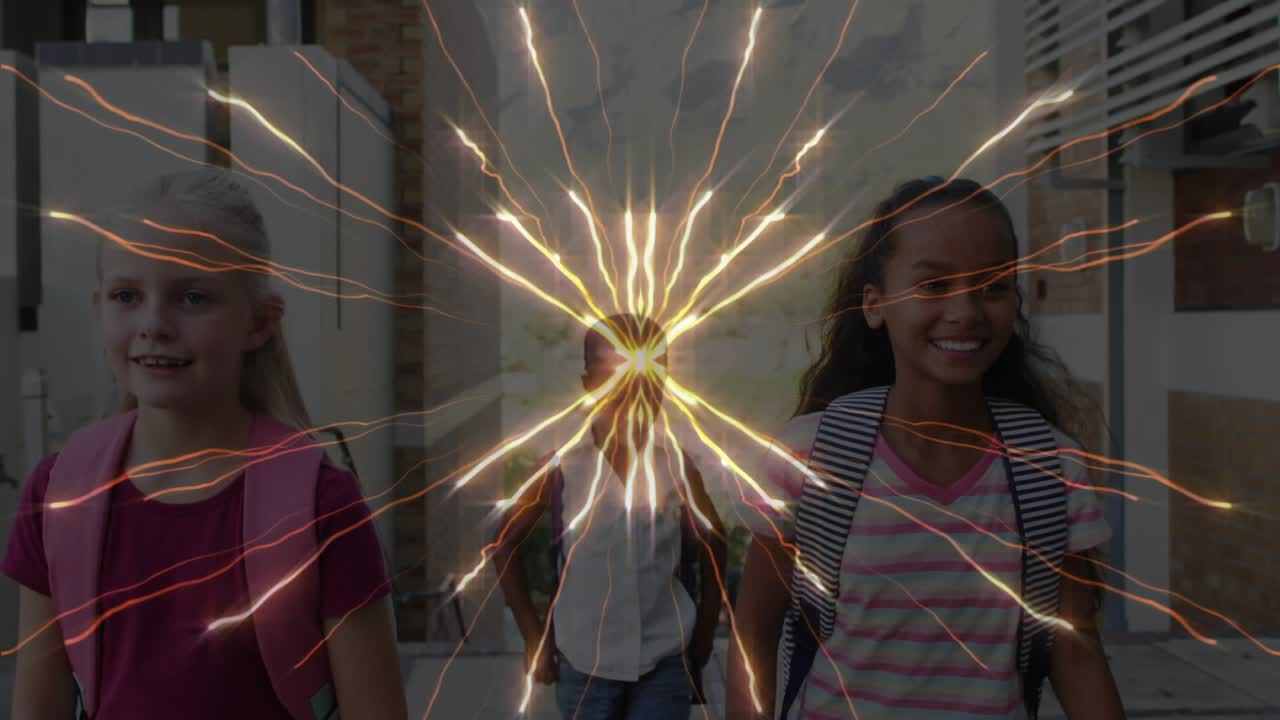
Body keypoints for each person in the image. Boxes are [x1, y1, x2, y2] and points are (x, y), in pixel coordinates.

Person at [2, 169, 407, 719]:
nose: (154, 324)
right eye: (127, 295)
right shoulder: (56, 496)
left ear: (259, 323)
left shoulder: (322, 506)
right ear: (99, 307)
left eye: (192, 297)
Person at [726, 177, 1125, 719]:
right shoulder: (811, 456)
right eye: (933, 287)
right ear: (875, 304)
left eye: (992, 286)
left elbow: (1075, 656)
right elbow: (755, 633)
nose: (965, 311)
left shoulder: (1049, 467)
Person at [492, 314, 727, 719]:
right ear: (589, 387)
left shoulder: (674, 465)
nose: (636, 400)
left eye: (650, 386)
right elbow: (503, 545)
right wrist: (534, 636)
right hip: (585, 667)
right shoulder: (562, 466)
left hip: (664, 662)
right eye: (619, 388)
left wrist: (704, 633)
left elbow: (715, 543)